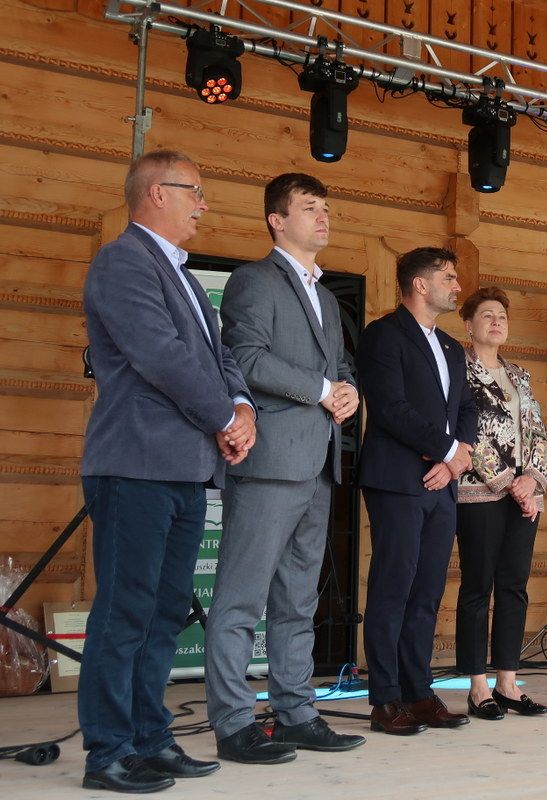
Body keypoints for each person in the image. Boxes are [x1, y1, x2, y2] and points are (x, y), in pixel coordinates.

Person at [78, 150, 255, 793]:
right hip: (136, 463)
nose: (204, 205)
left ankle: (151, 739)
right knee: (125, 611)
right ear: (156, 193)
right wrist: (224, 417)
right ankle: (108, 751)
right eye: (194, 191)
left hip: (183, 467)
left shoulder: (182, 273)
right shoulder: (123, 261)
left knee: (164, 613)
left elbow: (219, 356)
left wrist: (242, 406)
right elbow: (160, 356)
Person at [205, 173, 364, 764]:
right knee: (241, 600)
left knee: (298, 601)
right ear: (277, 219)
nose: (323, 216)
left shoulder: (326, 297)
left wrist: (347, 391)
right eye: (309, 207)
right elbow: (245, 357)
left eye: (326, 207)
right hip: (270, 462)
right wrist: (322, 389)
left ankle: (295, 713)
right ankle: (232, 723)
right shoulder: (254, 279)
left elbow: (338, 368)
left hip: (319, 464)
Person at [358, 247, 478, 735]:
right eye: (448, 277)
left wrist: (454, 460)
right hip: (396, 479)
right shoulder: (383, 334)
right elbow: (390, 408)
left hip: (441, 484)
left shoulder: (450, 346)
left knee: (427, 592)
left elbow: (467, 408)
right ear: (420, 284)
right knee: (393, 588)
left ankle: (418, 692)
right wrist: (447, 450)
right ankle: (385, 699)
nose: (457, 286)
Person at [455, 287, 547, 720]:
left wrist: (532, 481)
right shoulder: (459, 371)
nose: (496, 322)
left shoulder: (520, 375)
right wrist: (508, 483)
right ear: (468, 324)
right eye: (487, 315)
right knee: (478, 586)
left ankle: (508, 683)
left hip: (524, 497)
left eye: (502, 316)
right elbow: (467, 433)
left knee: (514, 587)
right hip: (480, 493)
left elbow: (539, 434)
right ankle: (478, 688)